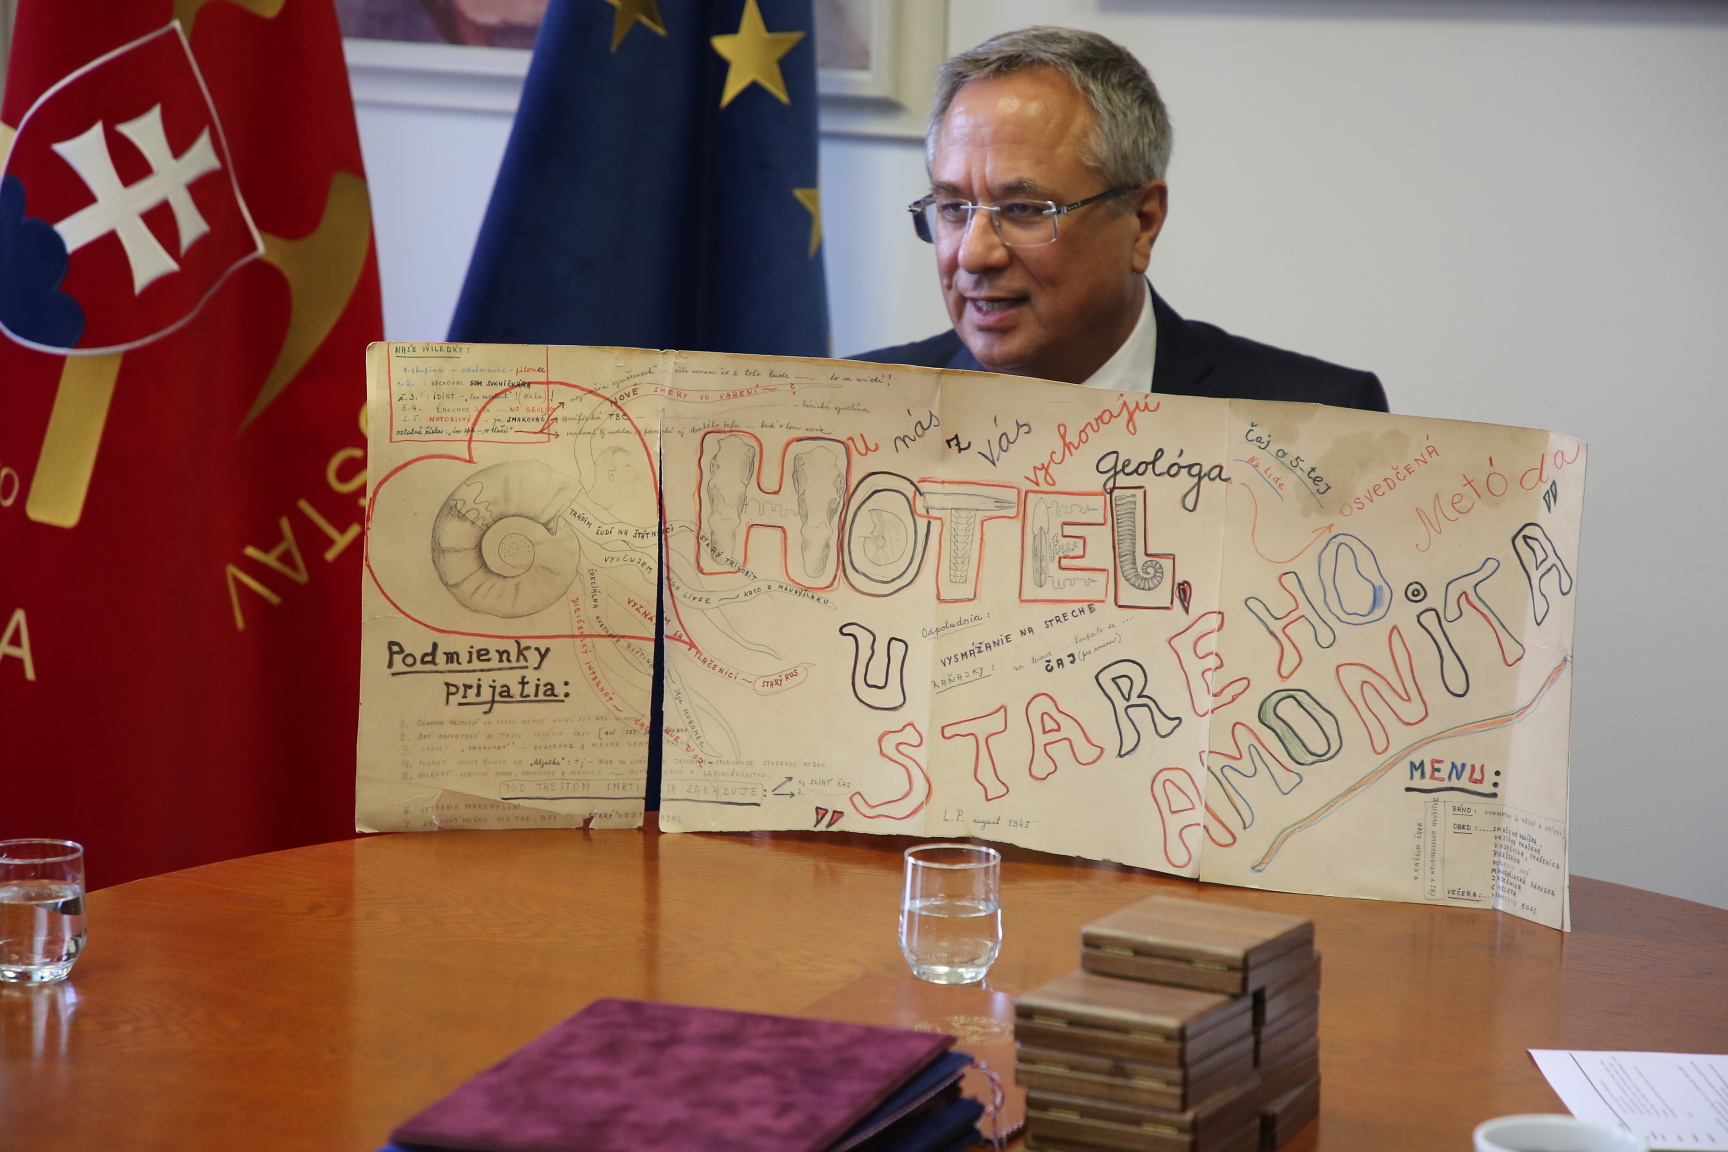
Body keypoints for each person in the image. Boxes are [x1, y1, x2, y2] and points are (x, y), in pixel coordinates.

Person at [853, 27, 1387, 412]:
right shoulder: (855, 407)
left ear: (1142, 222)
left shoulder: (1322, 417)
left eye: (1023, 211)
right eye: (954, 208)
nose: (974, 254)